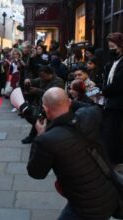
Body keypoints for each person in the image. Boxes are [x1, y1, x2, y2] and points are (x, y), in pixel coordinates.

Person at [27, 87, 119, 220]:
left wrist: (39, 135)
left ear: (46, 109)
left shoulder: (46, 139)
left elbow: (36, 173)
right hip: (109, 193)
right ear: (69, 102)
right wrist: (67, 101)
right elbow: (92, 106)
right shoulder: (91, 115)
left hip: (86, 208)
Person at [102, 32, 123, 165]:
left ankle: (114, 160)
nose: (111, 49)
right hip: (112, 103)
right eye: (109, 46)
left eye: (113, 46)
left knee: (114, 133)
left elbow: (117, 84)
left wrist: (103, 90)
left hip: (118, 105)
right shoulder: (115, 61)